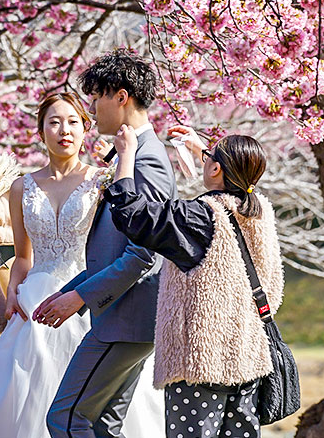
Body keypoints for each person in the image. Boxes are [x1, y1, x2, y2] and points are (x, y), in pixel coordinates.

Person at [0, 92, 164, 437]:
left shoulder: (103, 182)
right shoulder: (22, 186)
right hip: (34, 303)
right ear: (41, 132)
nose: (64, 130)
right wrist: (10, 297)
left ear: (85, 129)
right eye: (54, 122)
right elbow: (23, 257)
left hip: (87, 295)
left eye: (73, 122)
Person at [105, 127, 286, 438]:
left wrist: (126, 156)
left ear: (216, 168)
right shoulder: (259, 212)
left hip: (199, 363)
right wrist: (206, 151)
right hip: (248, 359)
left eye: (210, 160)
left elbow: (133, 216)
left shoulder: (200, 217)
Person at [34, 50, 178, 438]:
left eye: (96, 98)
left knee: (65, 420)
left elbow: (141, 256)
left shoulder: (146, 161)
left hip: (125, 319)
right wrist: (70, 290)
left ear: (121, 96)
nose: (92, 110)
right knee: (102, 425)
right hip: (126, 317)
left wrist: (79, 298)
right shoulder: (132, 153)